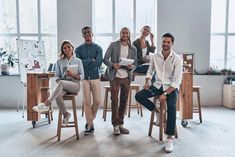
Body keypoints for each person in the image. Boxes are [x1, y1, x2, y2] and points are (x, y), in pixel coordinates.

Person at [135, 33, 183, 153]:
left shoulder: (177, 59)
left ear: (172, 43)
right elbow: (150, 71)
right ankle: (156, 112)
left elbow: (177, 82)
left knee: (172, 108)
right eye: (164, 42)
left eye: (168, 42)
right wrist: (147, 81)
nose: (165, 44)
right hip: (157, 85)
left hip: (170, 88)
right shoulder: (155, 56)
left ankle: (169, 139)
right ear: (161, 42)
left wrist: (165, 94)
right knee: (139, 95)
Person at [32, 40, 84, 125]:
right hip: (63, 85)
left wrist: (72, 74)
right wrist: (59, 80)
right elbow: (56, 76)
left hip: (75, 85)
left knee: (61, 84)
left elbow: (82, 77)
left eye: (68, 47)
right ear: (62, 50)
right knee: (57, 96)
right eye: (64, 48)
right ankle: (66, 115)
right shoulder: (59, 61)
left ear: (72, 48)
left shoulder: (78, 61)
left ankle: (46, 104)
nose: (67, 49)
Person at [103, 27, 137, 135]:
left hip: (127, 77)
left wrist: (131, 67)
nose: (125, 34)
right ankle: (115, 125)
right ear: (120, 34)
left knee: (124, 101)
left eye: (127, 33)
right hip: (115, 76)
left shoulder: (133, 49)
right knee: (114, 100)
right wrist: (113, 65)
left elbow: (135, 64)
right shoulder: (114, 45)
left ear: (129, 34)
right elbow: (105, 59)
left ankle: (121, 123)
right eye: (123, 33)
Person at [75, 26, 103, 135]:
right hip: (84, 78)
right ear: (83, 35)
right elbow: (78, 63)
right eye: (85, 33)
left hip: (95, 76)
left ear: (92, 34)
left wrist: (85, 62)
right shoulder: (78, 49)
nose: (87, 35)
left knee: (97, 101)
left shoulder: (98, 48)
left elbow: (99, 63)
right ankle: (90, 125)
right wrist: (91, 60)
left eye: (89, 33)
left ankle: (89, 119)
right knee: (87, 101)